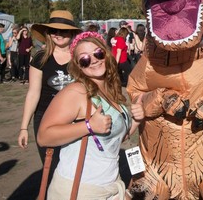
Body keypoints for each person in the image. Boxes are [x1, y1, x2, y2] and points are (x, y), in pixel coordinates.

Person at [37, 31, 145, 199]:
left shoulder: (110, 91)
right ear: (78, 66)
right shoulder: (76, 91)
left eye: (98, 53)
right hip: (80, 189)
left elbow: (113, 138)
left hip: (110, 187)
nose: (93, 60)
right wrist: (88, 126)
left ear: (106, 54)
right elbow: (44, 136)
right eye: (85, 59)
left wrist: (136, 121)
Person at [18, 10, 81, 185]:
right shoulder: (40, 58)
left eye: (64, 31)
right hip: (45, 119)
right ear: (48, 33)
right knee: (52, 168)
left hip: (76, 119)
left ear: (72, 33)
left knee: (75, 167)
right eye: (54, 31)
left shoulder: (80, 58)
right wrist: (24, 127)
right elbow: (33, 93)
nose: (59, 35)